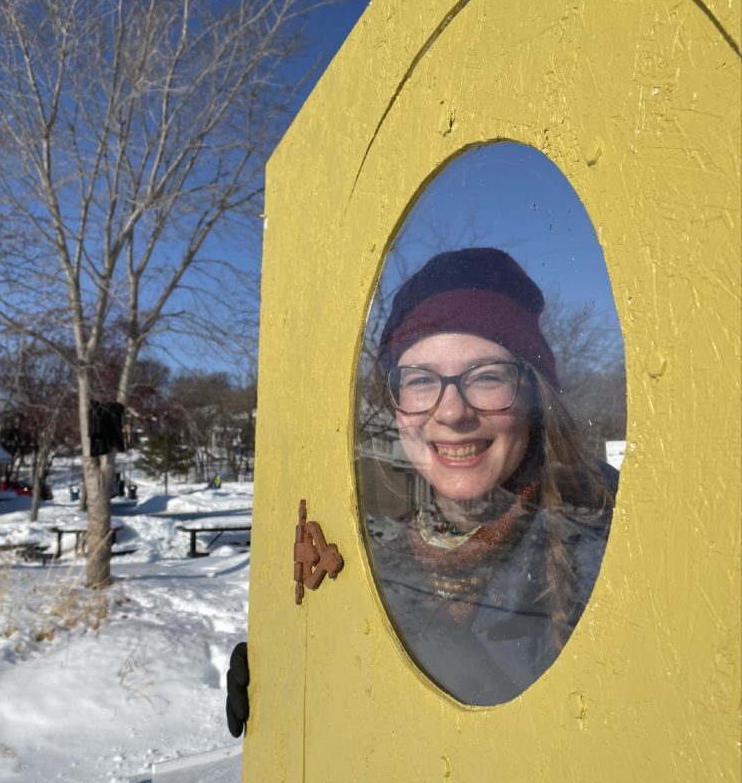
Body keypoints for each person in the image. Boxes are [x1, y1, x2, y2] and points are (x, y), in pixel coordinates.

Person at [226, 247, 618, 731]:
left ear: (534, 395)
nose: (451, 412)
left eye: (487, 376)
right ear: (395, 405)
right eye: (419, 380)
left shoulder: (615, 553)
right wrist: (295, 677)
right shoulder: (365, 558)